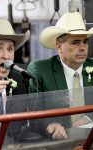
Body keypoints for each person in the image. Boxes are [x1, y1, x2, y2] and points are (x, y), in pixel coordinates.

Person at [27, 11, 93, 139]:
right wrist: (51, 125)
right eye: (75, 42)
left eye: (85, 42)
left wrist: (88, 117)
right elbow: (32, 111)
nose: (83, 47)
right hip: (61, 141)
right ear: (59, 47)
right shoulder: (40, 70)